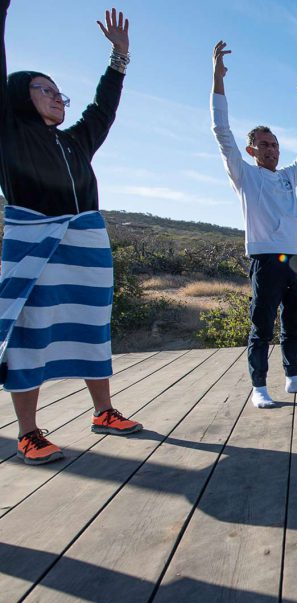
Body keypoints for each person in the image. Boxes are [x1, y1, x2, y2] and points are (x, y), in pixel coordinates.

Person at [0, 4, 142, 466]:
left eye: (61, 92)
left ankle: (103, 412)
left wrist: (118, 58)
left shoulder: (76, 140)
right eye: (46, 90)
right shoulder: (10, 133)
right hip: (33, 242)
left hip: (84, 247)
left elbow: (103, 108)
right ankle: (28, 433)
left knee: (92, 331)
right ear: (21, 96)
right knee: (30, 334)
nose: (59, 97)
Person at [210, 41, 297, 409]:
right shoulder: (245, 175)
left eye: (275, 144)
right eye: (265, 145)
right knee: (262, 326)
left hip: (296, 259)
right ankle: (259, 387)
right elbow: (221, 131)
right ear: (252, 150)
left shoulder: (289, 175)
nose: (272, 150)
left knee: (294, 323)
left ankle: (292, 378)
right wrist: (217, 79)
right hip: (266, 259)